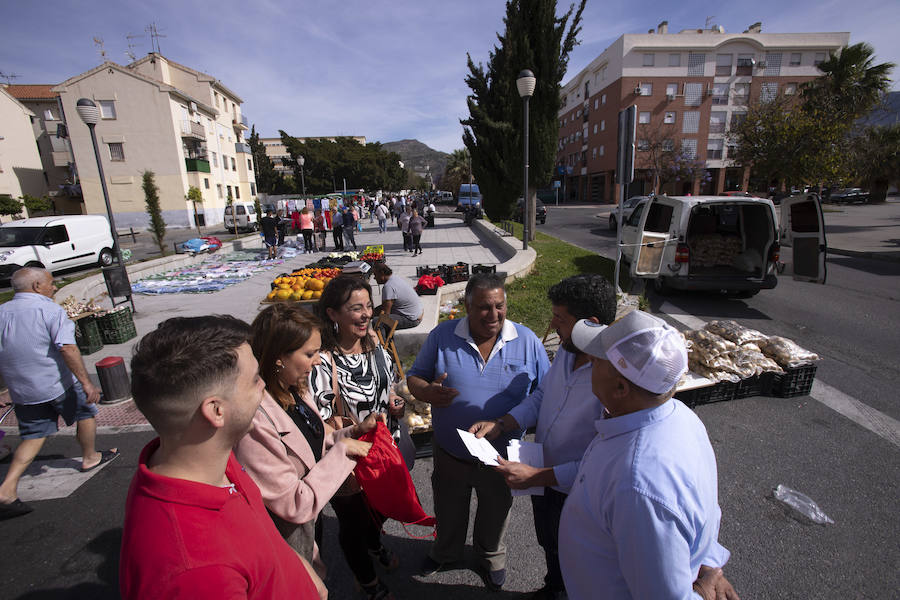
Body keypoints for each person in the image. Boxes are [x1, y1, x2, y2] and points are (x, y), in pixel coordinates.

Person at [120, 315, 325, 599]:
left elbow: (263, 534)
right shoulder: (194, 572)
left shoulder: (212, 461)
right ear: (216, 411)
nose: (263, 386)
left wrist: (299, 567)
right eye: (254, 380)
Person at [559, 311, 739, 600]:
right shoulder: (679, 415)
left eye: (597, 360)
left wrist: (703, 591)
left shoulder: (638, 484)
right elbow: (704, 512)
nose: (590, 360)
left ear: (620, 388)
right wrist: (708, 562)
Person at [469, 274, 616, 600]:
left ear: (591, 324)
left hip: (576, 491)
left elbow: (602, 463)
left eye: (560, 318)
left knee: (579, 558)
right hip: (543, 475)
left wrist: (538, 476)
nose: (552, 324)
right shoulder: (568, 349)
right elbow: (542, 395)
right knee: (550, 543)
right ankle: (554, 587)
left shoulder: (613, 378)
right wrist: (502, 423)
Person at [407, 273, 550, 591]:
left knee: (496, 513)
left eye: (500, 306)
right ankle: (446, 552)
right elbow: (415, 376)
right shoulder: (443, 335)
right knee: (448, 508)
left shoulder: (527, 341)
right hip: (451, 452)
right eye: (485, 307)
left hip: (501, 458)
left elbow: (545, 392)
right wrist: (427, 392)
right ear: (468, 307)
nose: (494, 315)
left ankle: (490, 557)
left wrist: (507, 422)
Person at [234, 304, 383, 578]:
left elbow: (319, 439)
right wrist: (343, 451)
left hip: (309, 526)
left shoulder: (294, 390)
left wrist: (355, 431)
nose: (318, 361)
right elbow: (293, 503)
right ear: (279, 357)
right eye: (310, 354)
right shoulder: (256, 422)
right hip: (285, 540)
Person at [309, 275, 406, 600]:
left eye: (368, 306)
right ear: (333, 313)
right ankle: (367, 581)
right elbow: (320, 421)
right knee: (352, 523)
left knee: (379, 509)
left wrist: (396, 402)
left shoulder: (375, 344)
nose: (366, 314)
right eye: (356, 308)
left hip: (384, 450)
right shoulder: (323, 361)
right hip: (348, 459)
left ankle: (374, 542)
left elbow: (391, 386)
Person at [0, 267, 115, 519]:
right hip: (56, 383)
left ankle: (7, 488)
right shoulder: (49, 310)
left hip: (22, 390)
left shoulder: (2, 312)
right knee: (86, 413)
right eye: (51, 283)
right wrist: (86, 383)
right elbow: (67, 349)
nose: (54, 287)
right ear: (36, 286)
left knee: (33, 435)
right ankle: (90, 457)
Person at [372, 262, 423, 330]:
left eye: (375, 275)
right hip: (416, 314)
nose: (374, 278)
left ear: (382, 273)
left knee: (377, 321)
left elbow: (385, 313)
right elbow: (385, 306)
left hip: (411, 319)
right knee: (377, 314)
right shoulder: (394, 278)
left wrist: (370, 315)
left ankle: (382, 337)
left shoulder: (388, 287)